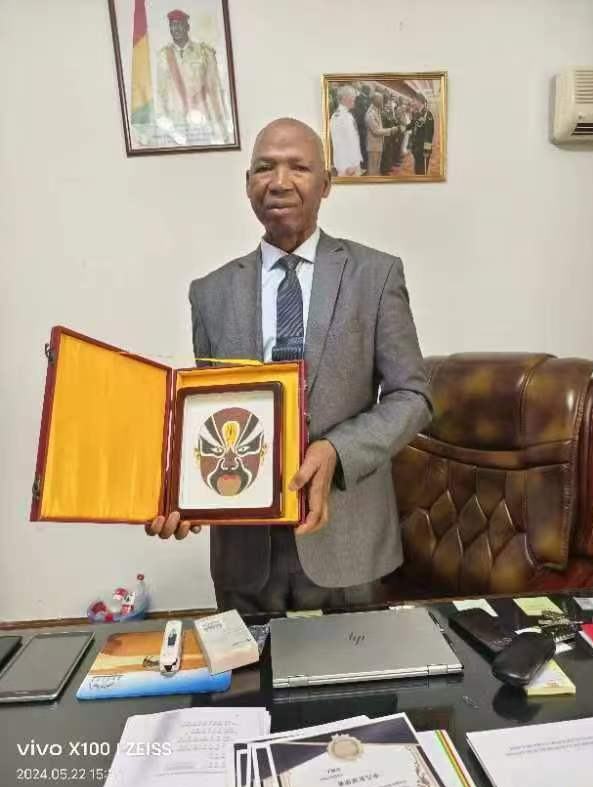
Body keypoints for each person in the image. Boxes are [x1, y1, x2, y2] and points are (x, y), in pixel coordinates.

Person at [146, 118, 432, 614]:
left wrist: (337, 449)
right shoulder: (209, 293)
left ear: (326, 183)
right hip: (244, 552)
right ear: (248, 184)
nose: (279, 182)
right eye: (265, 168)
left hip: (348, 540)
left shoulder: (376, 275)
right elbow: (209, 415)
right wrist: (176, 492)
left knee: (355, 668)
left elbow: (413, 396)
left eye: (298, 167)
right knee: (251, 668)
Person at [155, 9, 230, 145]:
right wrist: (164, 120)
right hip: (177, 122)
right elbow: (160, 92)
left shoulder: (204, 52)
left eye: (179, 24)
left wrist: (222, 124)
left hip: (204, 119)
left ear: (187, 27)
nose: (175, 29)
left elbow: (215, 89)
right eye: (172, 25)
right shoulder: (163, 56)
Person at [329, 85, 363, 177]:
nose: (355, 99)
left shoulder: (348, 115)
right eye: (353, 96)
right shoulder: (338, 117)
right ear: (345, 98)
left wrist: (356, 160)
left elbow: (353, 140)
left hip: (353, 163)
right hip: (347, 168)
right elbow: (338, 144)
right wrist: (346, 166)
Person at [365, 93, 398, 176]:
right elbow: (376, 131)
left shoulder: (377, 111)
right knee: (372, 170)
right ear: (375, 100)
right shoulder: (370, 114)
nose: (383, 101)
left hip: (378, 144)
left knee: (376, 169)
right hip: (373, 146)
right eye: (381, 99)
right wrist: (390, 130)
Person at [408, 97, 435, 175]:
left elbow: (429, 134)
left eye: (415, 101)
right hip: (416, 147)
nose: (413, 103)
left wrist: (426, 150)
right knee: (417, 170)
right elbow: (412, 125)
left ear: (420, 102)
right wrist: (401, 128)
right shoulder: (418, 113)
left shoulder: (428, 115)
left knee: (422, 172)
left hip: (423, 149)